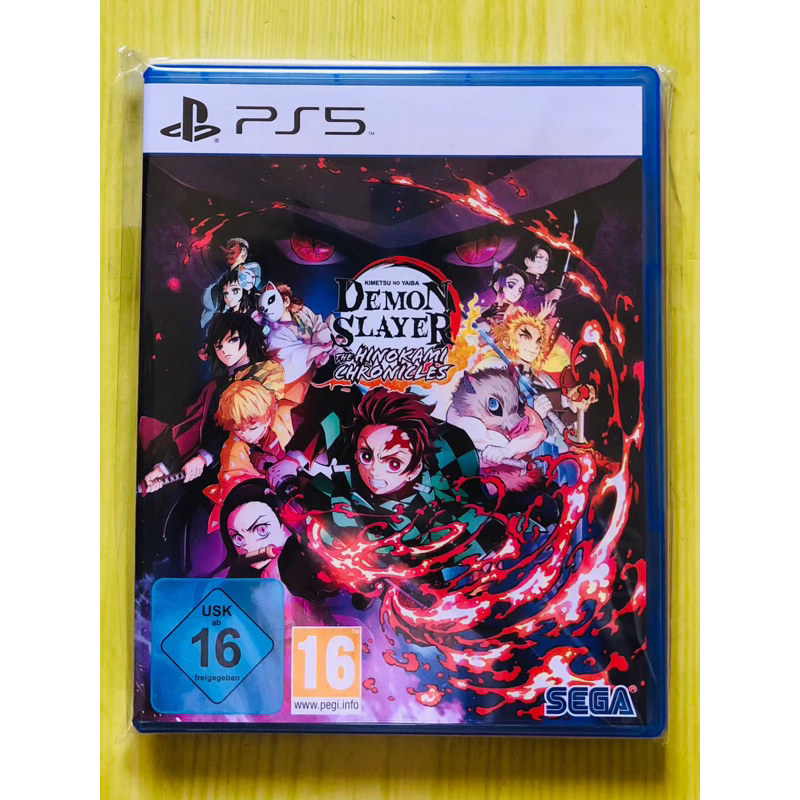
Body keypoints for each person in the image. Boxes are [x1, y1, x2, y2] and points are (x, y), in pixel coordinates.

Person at [139, 313, 284, 493]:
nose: (225, 350)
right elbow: (193, 425)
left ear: (248, 337)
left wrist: (204, 457)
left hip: (259, 462)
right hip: (214, 467)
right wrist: (163, 468)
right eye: (219, 345)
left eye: (233, 340)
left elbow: (247, 429)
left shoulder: (267, 373)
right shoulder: (215, 387)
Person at [522, 242, 562, 313]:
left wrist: (550, 305)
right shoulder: (521, 278)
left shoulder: (542, 283)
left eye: (546, 261)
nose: (543, 265)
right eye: (539, 260)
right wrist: (547, 297)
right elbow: (525, 301)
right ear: (528, 261)